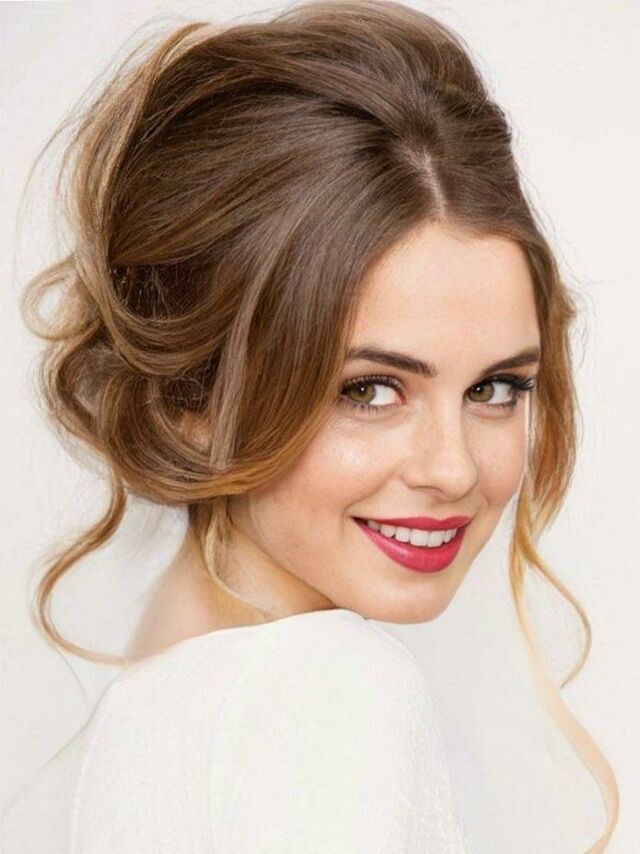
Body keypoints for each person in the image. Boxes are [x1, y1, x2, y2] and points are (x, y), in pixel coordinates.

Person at [2, 1, 619, 851]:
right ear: (186, 399)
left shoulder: (134, 719)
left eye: (495, 388)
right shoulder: (327, 692)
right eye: (370, 390)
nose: (455, 470)